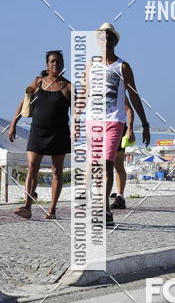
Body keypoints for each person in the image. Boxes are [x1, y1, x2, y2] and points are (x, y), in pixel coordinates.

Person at [86, 23, 150, 226]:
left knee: (108, 164)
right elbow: (83, 94)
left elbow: (134, 95)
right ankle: (100, 205)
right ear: (98, 41)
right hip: (92, 122)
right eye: (102, 37)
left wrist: (144, 123)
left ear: (115, 41)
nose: (106, 41)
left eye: (110, 37)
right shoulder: (90, 65)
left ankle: (105, 209)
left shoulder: (123, 66)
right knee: (94, 166)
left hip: (114, 121)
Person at [8, 50, 71, 219]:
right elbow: (24, 103)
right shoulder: (38, 81)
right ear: (47, 65)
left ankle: (52, 210)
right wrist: (13, 123)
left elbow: (79, 111)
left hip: (59, 134)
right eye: (52, 62)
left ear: (63, 64)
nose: (55, 64)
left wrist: (78, 130)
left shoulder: (68, 87)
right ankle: (27, 207)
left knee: (57, 171)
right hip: (37, 132)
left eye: (58, 62)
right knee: (32, 168)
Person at [110, 98, 135, 210]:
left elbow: (129, 110)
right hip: (99, 128)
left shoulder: (118, 89)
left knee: (118, 164)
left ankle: (120, 197)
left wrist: (129, 129)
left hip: (117, 128)